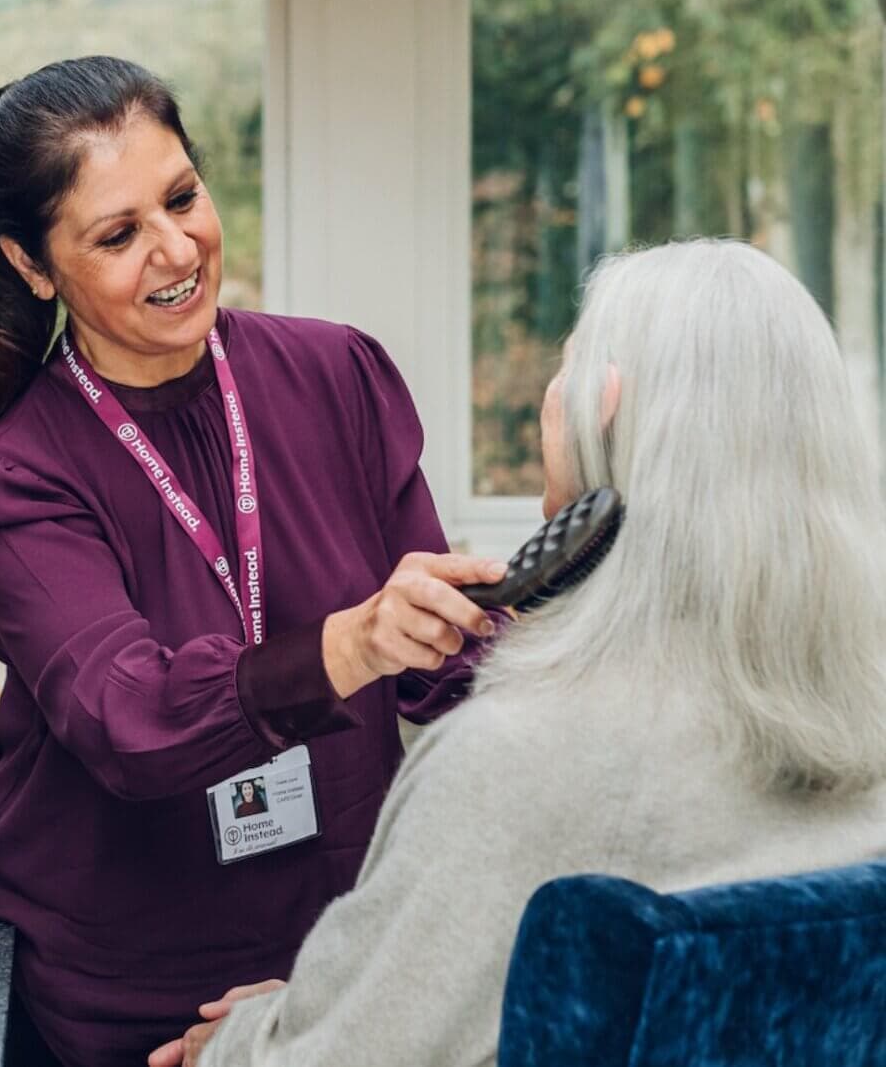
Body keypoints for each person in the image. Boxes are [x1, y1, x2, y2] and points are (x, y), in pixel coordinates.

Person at [0, 56, 506, 1067]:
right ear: (34, 263)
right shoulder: (18, 472)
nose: (176, 247)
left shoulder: (336, 374)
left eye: (182, 197)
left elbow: (442, 666)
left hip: (334, 971)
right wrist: (350, 642)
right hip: (126, 1002)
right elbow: (129, 720)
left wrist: (532, 622)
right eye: (117, 233)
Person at [151, 239, 886, 1067]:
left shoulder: (517, 761)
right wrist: (321, 1004)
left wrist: (247, 1039)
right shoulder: (865, 724)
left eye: (563, 366)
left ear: (598, 407)